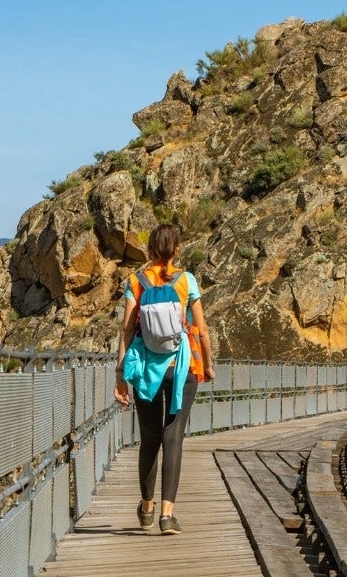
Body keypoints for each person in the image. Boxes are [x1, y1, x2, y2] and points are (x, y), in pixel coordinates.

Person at [113, 223, 215, 535]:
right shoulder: (187, 280)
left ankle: (146, 506)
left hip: (145, 368)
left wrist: (120, 375)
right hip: (182, 367)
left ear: (149, 251)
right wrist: (208, 365)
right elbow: (201, 329)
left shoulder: (137, 281)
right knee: (173, 437)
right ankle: (168, 516)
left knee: (150, 438)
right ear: (178, 249)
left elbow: (128, 330)